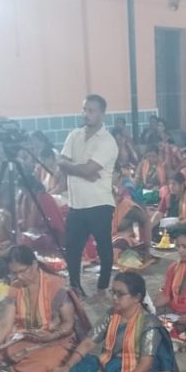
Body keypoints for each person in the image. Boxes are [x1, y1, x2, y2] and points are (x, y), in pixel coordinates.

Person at [51, 272, 178, 372]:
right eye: (113, 293)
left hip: (135, 370)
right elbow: (89, 342)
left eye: (120, 294)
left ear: (137, 297)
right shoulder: (112, 314)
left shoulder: (149, 323)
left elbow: (146, 363)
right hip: (109, 365)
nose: (115, 298)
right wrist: (67, 366)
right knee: (73, 371)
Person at [0, 246, 90, 372]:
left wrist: (52, 336)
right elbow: (5, 324)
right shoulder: (16, 286)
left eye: (22, 271)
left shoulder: (56, 285)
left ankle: (17, 363)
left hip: (53, 340)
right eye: (14, 273)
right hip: (23, 335)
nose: (19, 277)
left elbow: (68, 323)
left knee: (44, 364)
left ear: (34, 264)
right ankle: (8, 359)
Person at [57, 94, 119, 297]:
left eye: (91, 110)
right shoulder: (74, 135)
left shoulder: (107, 142)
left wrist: (77, 168)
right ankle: (75, 286)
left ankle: (102, 287)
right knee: (72, 248)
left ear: (102, 113)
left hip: (99, 203)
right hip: (76, 204)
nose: (86, 114)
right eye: (84, 109)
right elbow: (61, 162)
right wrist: (82, 170)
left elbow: (86, 169)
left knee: (104, 247)